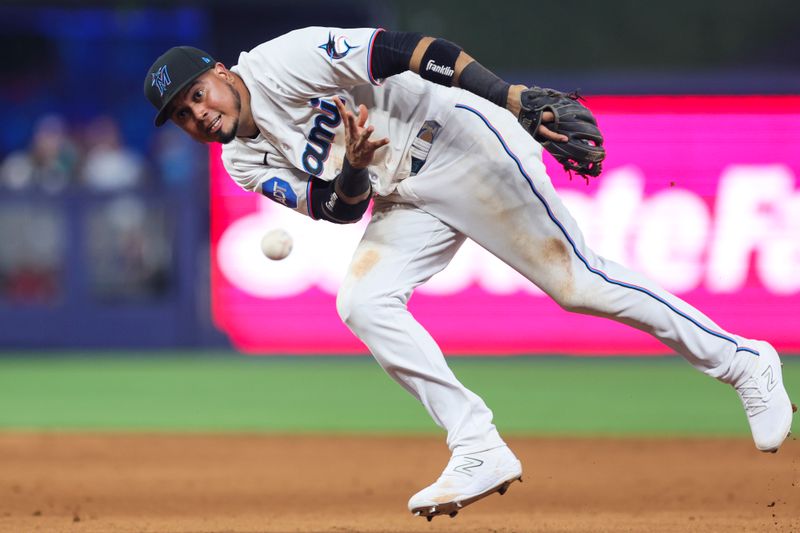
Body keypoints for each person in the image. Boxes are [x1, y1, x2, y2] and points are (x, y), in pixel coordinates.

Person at [144, 28, 795, 521]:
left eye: (195, 94)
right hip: (403, 191)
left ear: (221, 73)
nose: (196, 113)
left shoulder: (286, 60)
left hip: (460, 142)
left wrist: (508, 96)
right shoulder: (240, 162)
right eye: (181, 113)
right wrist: (355, 168)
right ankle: (477, 443)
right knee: (363, 300)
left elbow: (410, 49)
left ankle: (744, 361)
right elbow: (339, 210)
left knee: (578, 283)